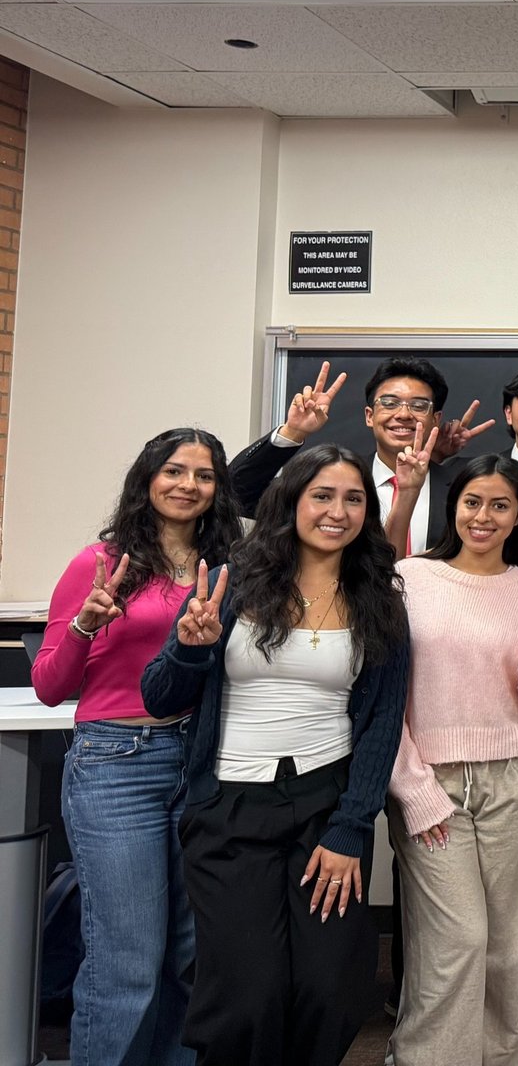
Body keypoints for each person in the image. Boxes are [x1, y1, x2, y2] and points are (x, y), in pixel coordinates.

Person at [140, 444, 411, 1066]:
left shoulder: (380, 601)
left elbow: (380, 727)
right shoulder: (234, 583)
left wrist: (349, 829)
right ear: (290, 503)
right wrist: (188, 648)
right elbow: (159, 697)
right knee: (246, 996)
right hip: (229, 807)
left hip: (326, 809)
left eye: (353, 498)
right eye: (322, 495)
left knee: (329, 989)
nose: (337, 511)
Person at [34, 428, 242, 1066]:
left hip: (200, 761)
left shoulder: (230, 565)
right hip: (116, 766)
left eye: (204, 476)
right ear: (147, 478)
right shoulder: (101, 563)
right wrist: (83, 625)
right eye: (174, 471)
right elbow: (49, 686)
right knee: (128, 960)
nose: (188, 485)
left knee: (188, 956)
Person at [387, 456, 518, 1066]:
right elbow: (383, 699)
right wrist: (412, 789)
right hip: (431, 777)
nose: (484, 517)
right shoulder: (409, 578)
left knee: (513, 945)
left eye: (500, 505)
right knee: (456, 941)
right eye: (472, 502)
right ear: (453, 507)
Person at [228, 357, 495, 555]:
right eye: (389, 403)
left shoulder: (464, 487)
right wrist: (293, 432)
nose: (403, 414)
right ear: (370, 416)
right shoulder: (336, 479)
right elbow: (235, 496)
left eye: (418, 406)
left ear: (435, 419)